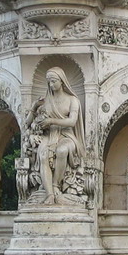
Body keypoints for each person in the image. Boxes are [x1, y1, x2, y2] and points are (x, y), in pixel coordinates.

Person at [24, 68, 85, 205]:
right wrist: (34, 108)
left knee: (62, 151)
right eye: (49, 82)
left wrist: (51, 121)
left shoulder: (72, 100)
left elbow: (72, 121)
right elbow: (27, 124)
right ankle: (50, 194)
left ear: (62, 81)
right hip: (49, 135)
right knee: (43, 155)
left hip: (66, 135)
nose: (51, 84)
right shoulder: (45, 101)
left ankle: (56, 185)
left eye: (53, 81)